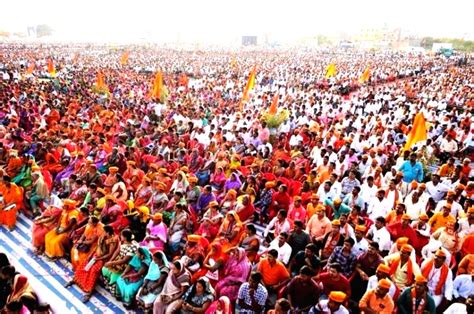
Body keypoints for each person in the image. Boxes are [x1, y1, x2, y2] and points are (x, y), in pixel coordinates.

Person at [67, 225, 119, 302]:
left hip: (103, 259)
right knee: (84, 265)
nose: (102, 232)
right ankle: (76, 280)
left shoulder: (112, 241)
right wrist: (91, 255)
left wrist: (99, 258)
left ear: (107, 232)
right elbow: (97, 247)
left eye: (104, 231)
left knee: (93, 270)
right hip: (96, 255)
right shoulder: (102, 237)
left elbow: (109, 254)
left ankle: (89, 290)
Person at [101, 229, 139, 296]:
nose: (120, 236)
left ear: (125, 237)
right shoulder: (122, 242)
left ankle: (116, 293)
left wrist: (111, 263)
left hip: (125, 266)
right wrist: (111, 260)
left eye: (121, 235)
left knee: (113, 277)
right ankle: (108, 285)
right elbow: (117, 252)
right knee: (104, 269)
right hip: (117, 261)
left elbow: (124, 261)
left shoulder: (132, 247)